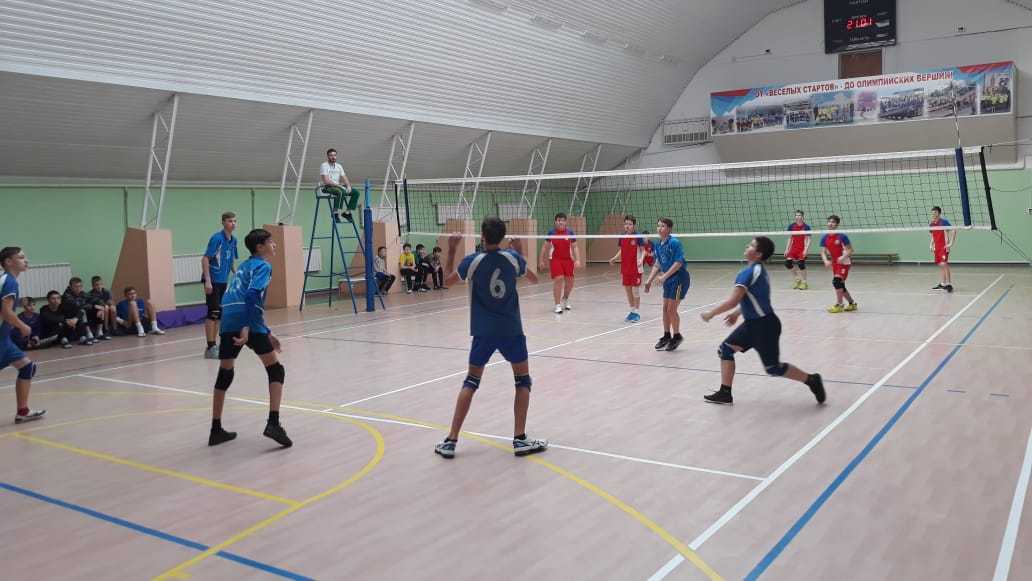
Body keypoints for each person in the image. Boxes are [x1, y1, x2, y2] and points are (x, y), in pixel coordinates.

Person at [434, 218, 546, 459]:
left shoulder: (472, 261)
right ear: (503, 237)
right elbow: (534, 279)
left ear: (482, 237)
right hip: (511, 330)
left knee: (471, 381)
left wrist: (452, 249)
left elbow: (446, 282)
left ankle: (451, 440)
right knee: (523, 381)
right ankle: (520, 439)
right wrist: (520, 251)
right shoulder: (512, 258)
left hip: (483, 331)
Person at [700, 238, 826, 405]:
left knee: (773, 368)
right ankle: (725, 393)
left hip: (764, 326)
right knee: (725, 350)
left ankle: (812, 380)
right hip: (752, 325)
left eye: (752, 245)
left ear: (758, 254)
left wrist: (711, 314)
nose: (747, 246)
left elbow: (733, 300)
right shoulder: (759, 270)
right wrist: (737, 313)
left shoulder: (749, 273)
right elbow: (756, 299)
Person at [208, 229, 292, 448]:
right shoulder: (263, 266)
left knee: (225, 373)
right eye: (271, 242)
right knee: (276, 370)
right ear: (260, 247)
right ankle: (273, 423)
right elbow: (252, 295)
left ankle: (215, 429)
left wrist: (266, 331)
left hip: (228, 316)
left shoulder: (244, 266)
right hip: (245, 318)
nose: (274, 245)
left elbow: (236, 294)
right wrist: (247, 327)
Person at [0, 247, 46, 423]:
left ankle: (23, 411)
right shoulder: (9, 282)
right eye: (20, 257)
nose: (26, 260)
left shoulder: (6, 280)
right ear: (8, 262)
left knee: (27, 367)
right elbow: (6, 312)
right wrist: (22, 326)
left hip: (4, 339)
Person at [644, 218, 690, 351]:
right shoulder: (658, 244)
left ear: (669, 229)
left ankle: (677, 336)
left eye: (662, 226)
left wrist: (664, 276)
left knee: (671, 309)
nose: (659, 228)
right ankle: (666, 335)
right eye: (658, 226)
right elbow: (658, 263)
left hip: (679, 278)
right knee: (665, 309)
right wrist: (649, 280)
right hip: (668, 280)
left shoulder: (674, 243)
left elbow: (678, 263)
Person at [202, 212, 239, 358]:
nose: (233, 224)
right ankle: (210, 347)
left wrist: (236, 274)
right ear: (223, 222)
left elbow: (230, 260)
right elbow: (205, 259)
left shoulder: (234, 240)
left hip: (224, 281)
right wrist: (208, 280)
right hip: (213, 280)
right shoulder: (217, 238)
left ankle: (214, 345)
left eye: (235, 221)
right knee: (213, 313)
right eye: (230, 221)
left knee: (219, 315)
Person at [608, 215, 646, 322]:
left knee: (635, 291)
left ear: (634, 225)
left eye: (630, 224)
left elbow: (643, 250)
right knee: (628, 291)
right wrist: (615, 258)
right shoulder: (622, 236)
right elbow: (622, 249)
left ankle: (637, 313)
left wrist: (641, 259)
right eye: (626, 224)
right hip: (625, 268)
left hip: (636, 268)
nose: (627, 226)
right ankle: (632, 311)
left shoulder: (638, 236)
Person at [819, 215, 858, 313]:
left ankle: (839, 305)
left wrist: (843, 257)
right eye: (829, 222)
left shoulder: (842, 236)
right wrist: (825, 260)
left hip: (844, 262)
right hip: (835, 263)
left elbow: (850, 250)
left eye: (833, 222)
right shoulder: (825, 237)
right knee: (840, 285)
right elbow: (822, 252)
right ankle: (852, 304)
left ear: (837, 224)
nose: (830, 224)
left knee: (836, 282)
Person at [319, 148, 356, 223]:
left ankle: (347, 213)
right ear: (328, 156)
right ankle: (335, 213)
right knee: (340, 192)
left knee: (355, 192)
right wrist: (339, 186)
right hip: (327, 187)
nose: (333, 157)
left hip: (338, 186)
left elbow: (344, 177)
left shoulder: (339, 166)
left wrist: (348, 186)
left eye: (335, 155)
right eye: (331, 155)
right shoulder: (324, 165)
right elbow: (326, 181)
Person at [63, 277, 104, 342]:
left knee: (100, 309)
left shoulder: (81, 293)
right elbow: (77, 305)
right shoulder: (66, 295)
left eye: (80, 286)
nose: (78, 288)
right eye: (76, 286)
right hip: (70, 316)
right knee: (83, 310)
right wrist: (94, 306)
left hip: (79, 313)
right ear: (70, 287)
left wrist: (100, 307)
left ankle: (99, 333)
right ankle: (89, 334)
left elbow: (95, 299)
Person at [929, 206, 956, 292]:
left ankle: (949, 284)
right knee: (941, 265)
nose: (934, 214)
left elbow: (953, 230)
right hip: (936, 248)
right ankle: (943, 284)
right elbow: (933, 235)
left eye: (935, 213)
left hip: (944, 247)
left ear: (939, 213)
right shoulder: (931, 224)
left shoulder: (944, 222)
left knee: (944, 264)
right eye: (932, 213)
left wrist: (951, 243)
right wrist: (931, 244)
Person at [784, 210, 812, 290]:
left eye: (799, 215)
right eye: (796, 215)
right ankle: (797, 279)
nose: (798, 217)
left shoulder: (806, 227)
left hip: (802, 249)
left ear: (802, 217)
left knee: (801, 264)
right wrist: (787, 249)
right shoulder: (791, 226)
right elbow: (790, 238)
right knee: (788, 263)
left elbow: (809, 239)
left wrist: (806, 250)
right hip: (793, 248)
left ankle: (804, 282)